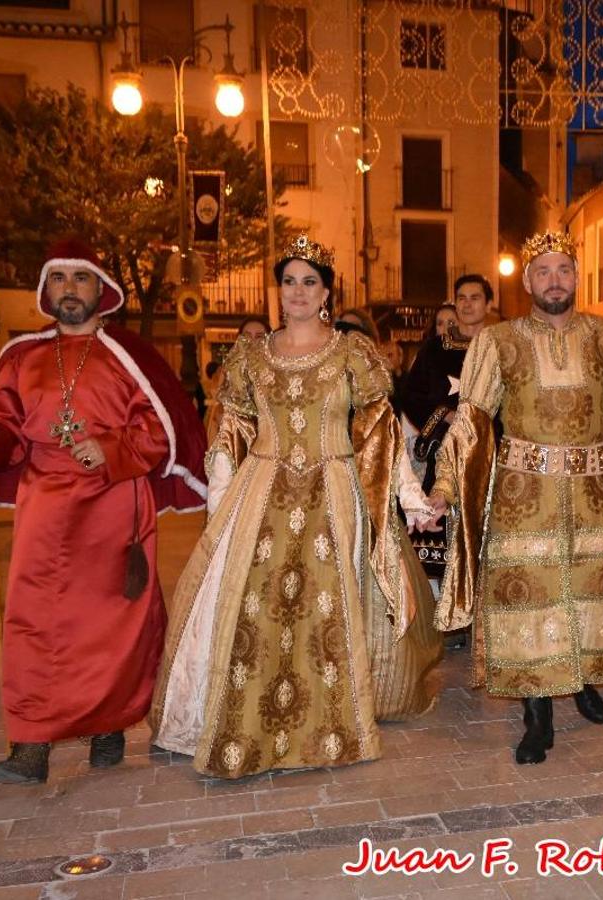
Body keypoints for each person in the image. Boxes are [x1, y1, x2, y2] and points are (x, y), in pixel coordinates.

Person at [150, 235, 441, 778]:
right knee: (256, 610)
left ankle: (328, 725)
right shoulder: (252, 357)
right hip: (262, 494)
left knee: (328, 609)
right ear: (278, 291)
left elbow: (379, 434)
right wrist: (219, 512)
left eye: (310, 281)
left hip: (335, 491)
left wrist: (410, 497)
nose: (299, 291)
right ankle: (248, 725)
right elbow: (232, 434)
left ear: (327, 291)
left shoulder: (353, 354)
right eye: (290, 281)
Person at [427, 231, 603, 764]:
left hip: (592, 496)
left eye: (563, 269)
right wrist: (446, 487)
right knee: (529, 600)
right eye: (542, 272)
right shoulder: (498, 342)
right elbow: (471, 421)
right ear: (526, 283)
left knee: (587, 595)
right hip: (524, 496)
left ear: (576, 276)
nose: (554, 281)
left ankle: (580, 675)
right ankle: (537, 716)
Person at [0, 237, 207, 783]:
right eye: (59, 279)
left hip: (115, 504)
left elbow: (160, 431)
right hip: (44, 505)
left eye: (80, 278)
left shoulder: (130, 358)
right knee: (33, 619)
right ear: (46, 290)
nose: (69, 289)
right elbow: (6, 429)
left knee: (110, 623)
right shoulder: (21, 357)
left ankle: (108, 724)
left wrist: (113, 449)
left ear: (103, 290)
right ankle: (31, 741)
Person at [402, 275, 495, 652]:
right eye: (462, 298)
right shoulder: (436, 349)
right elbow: (410, 394)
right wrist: (444, 416)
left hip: (494, 456)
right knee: (447, 537)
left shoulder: (501, 347)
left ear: (488, 303)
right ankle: (453, 616)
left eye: (475, 297)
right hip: (446, 456)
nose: (468, 304)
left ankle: (492, 616)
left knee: (490, 533)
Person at [204, 317, 270, 445]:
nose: (252, 341)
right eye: (247, 336)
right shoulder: (228, 370)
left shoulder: (276, 370)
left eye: (259, 336)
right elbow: (218, 409)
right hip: (236, 439)